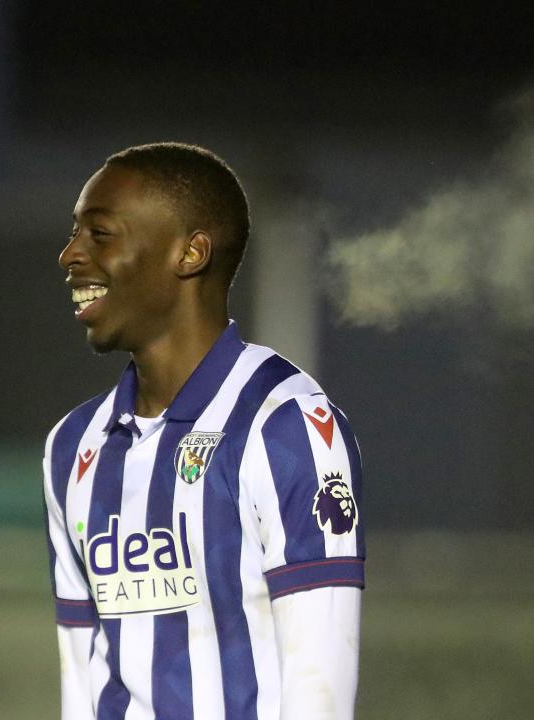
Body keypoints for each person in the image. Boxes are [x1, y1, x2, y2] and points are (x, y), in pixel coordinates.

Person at [43, 142, 364, 720]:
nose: (70, 254)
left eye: (100, 233)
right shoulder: (73, 446)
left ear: (189, 253)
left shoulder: (286, 427)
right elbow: (80, 677)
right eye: (74, 233)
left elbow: (321, 689)